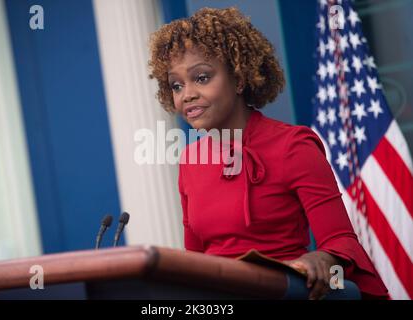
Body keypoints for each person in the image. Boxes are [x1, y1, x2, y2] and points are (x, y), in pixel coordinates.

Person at [148, 7, 388, 300]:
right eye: (176, 85)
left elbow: (341, 241)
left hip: (284, 292)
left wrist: (323, 260)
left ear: (238, 79)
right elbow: (196, 260)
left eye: (201, 78)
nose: (187, 94)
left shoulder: (293, 146)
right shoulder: (190, 161)